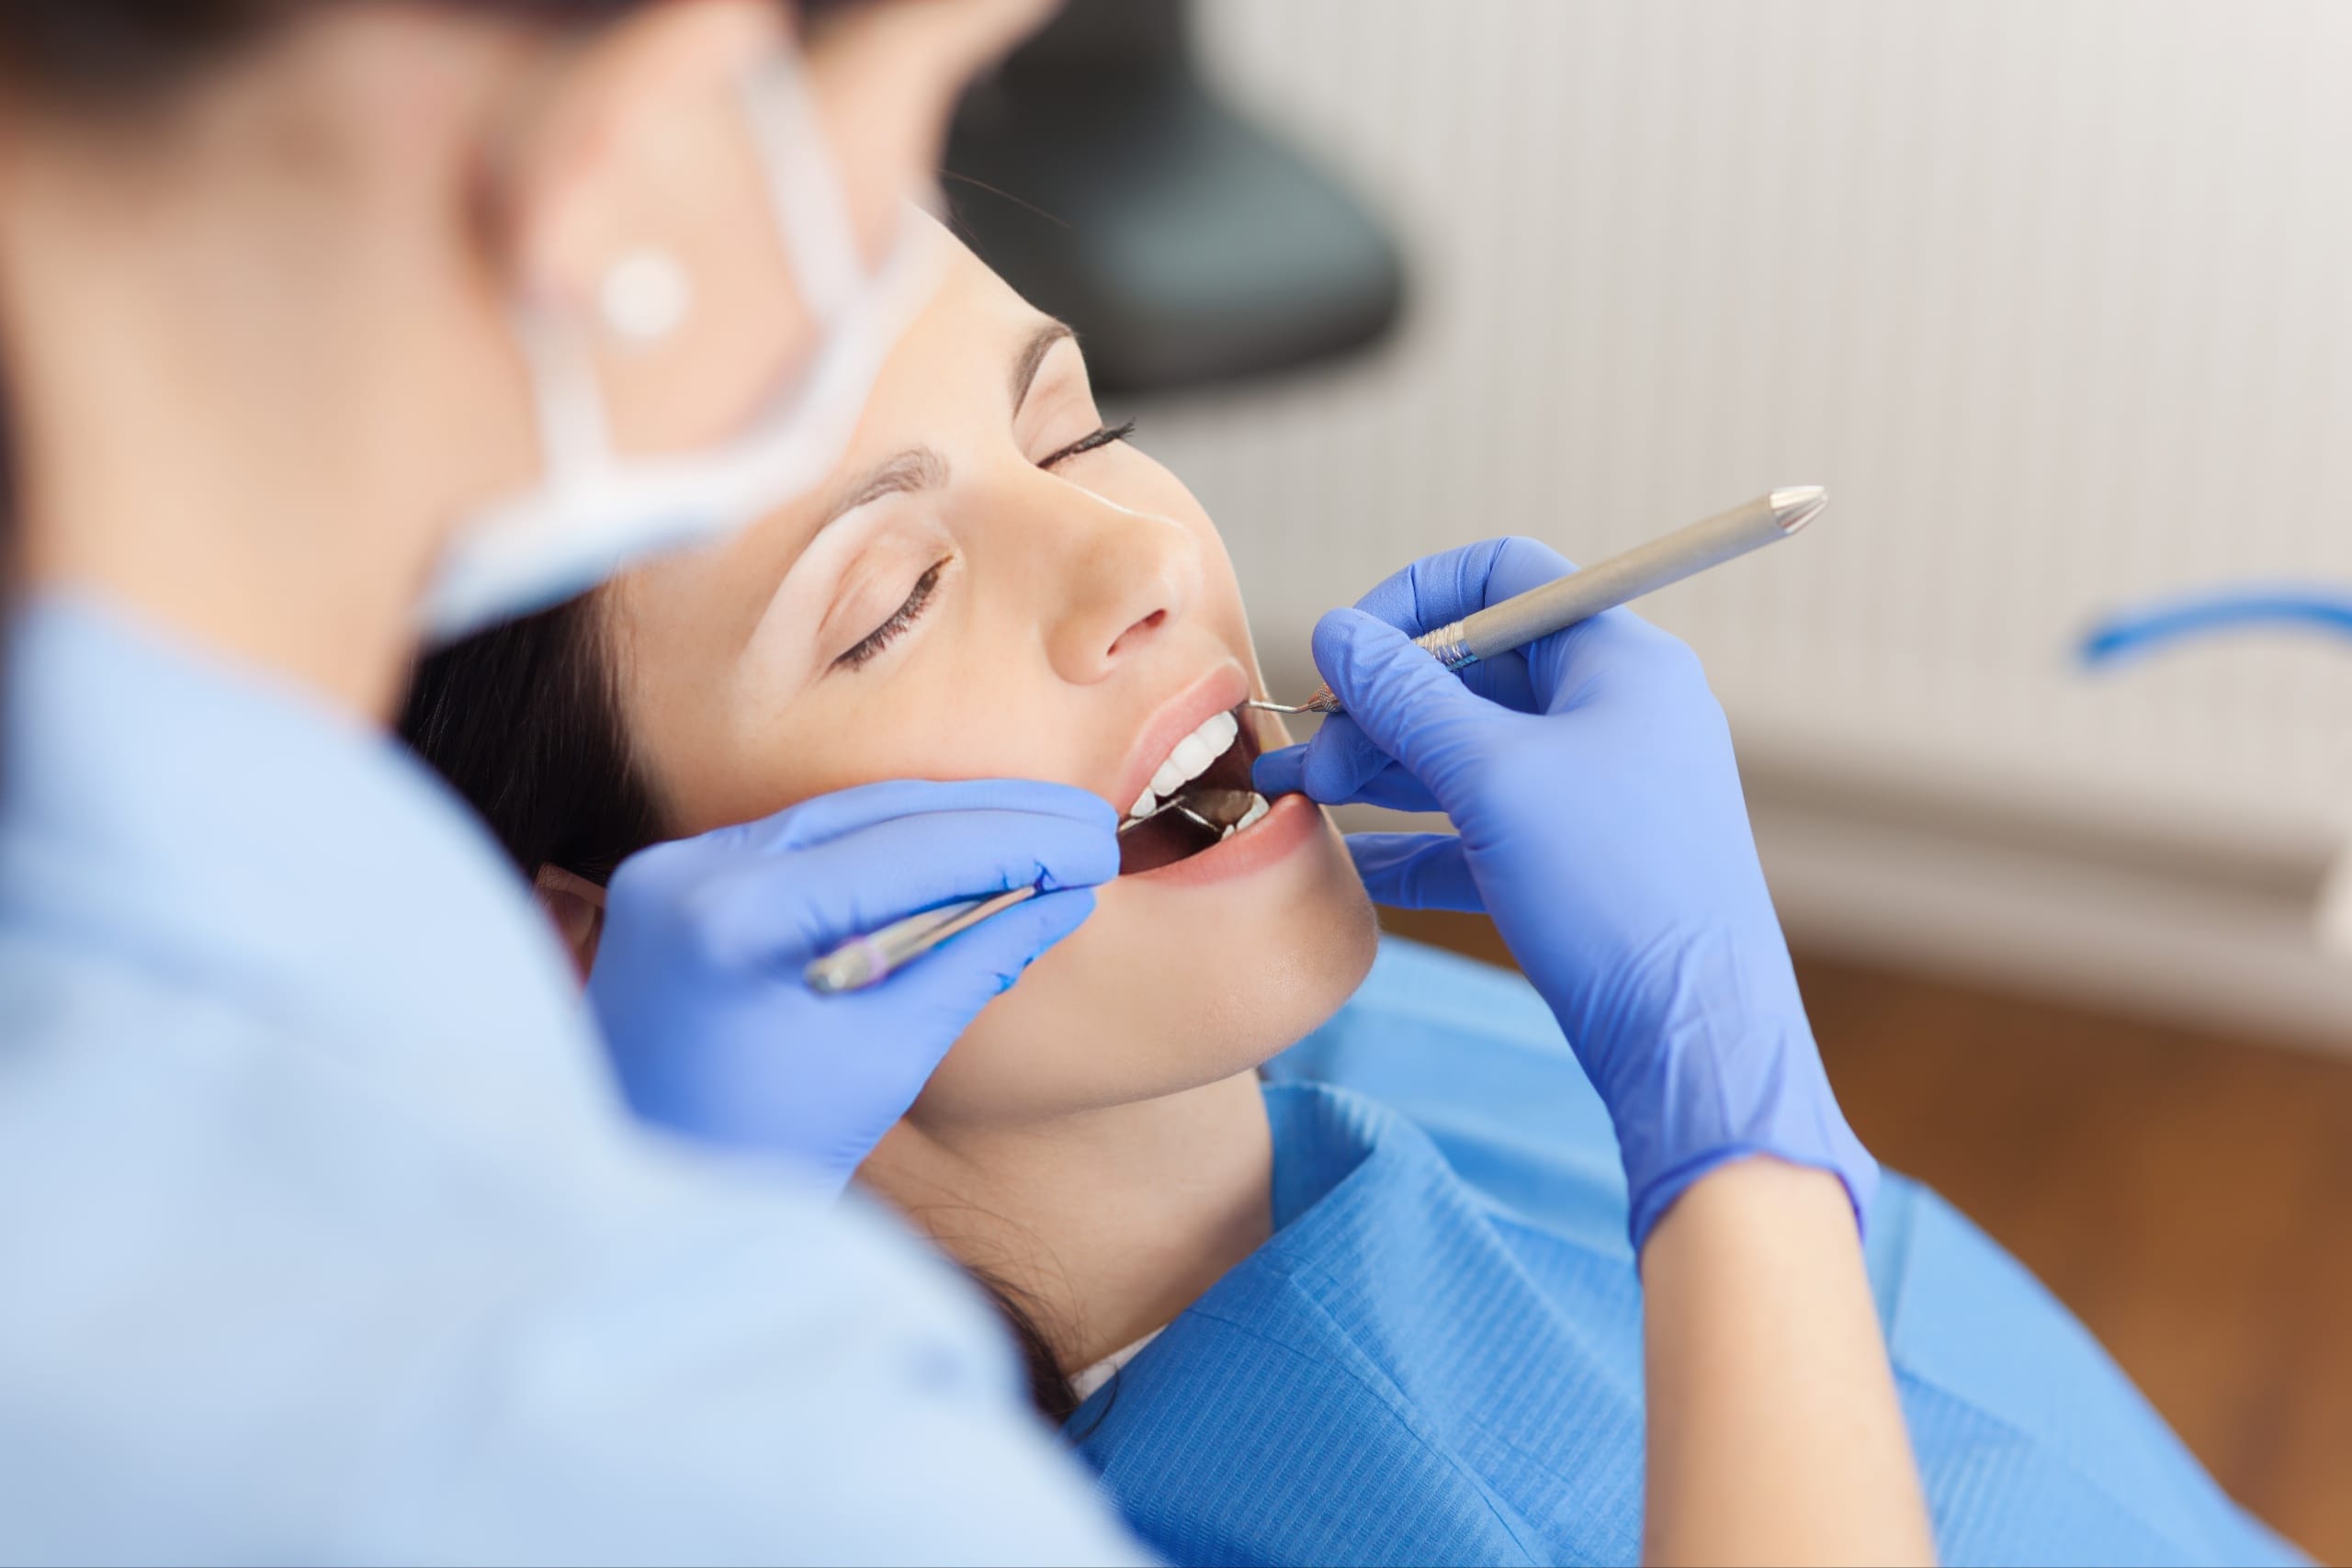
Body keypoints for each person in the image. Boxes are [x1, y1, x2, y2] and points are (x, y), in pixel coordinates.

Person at [404, 217, 2306, 1566]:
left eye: (1068, 424)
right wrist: (1732, 1135)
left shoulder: (1438, 1043)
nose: (1128, 552)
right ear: (600, 933)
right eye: (890, 593)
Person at [0, 1, 1161, 1559]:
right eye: (928, 98)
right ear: (637, 152)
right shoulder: (681, 1440)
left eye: (1082, 437)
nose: (1145, 558)